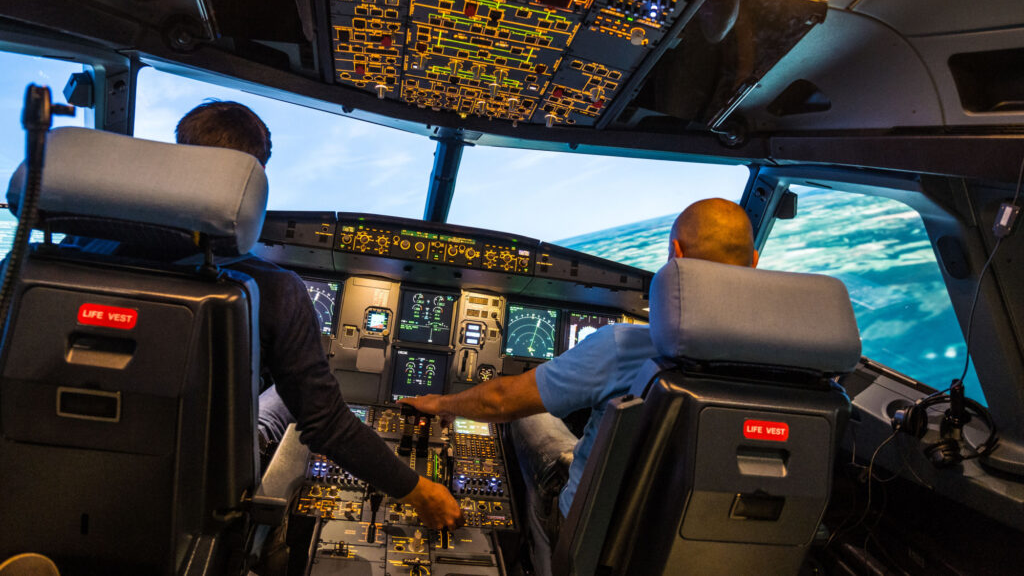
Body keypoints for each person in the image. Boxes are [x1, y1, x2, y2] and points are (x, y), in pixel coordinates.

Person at [404, 198, 757, 563]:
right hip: (708, 549)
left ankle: (541, 560)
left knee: (530, 416)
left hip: (595, 538)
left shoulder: (626, 345)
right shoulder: (801, 360)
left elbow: (501, 400)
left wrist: (441, 404)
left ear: (676, 256)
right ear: (756, 261)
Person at [175, 101, 463, 529]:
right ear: (250, 185)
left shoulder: (85, 249)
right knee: (285, 398)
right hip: (207, 476)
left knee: (277, 392)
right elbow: (326, 423)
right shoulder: (271, 287)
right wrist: (420, 491)